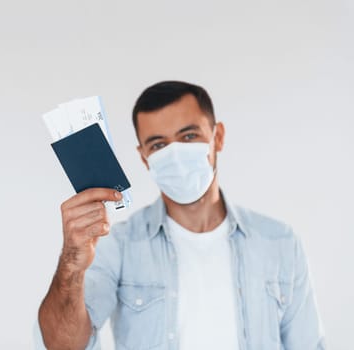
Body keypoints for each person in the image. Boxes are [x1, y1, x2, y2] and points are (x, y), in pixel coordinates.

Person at [37, 81, 326, 350]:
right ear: (144, 157)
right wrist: (71, 265)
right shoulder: (118, 245)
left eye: (189, 136)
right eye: (159, 145)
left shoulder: (279, 242)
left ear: (218, 137)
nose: (175, 154)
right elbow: (63, 345)